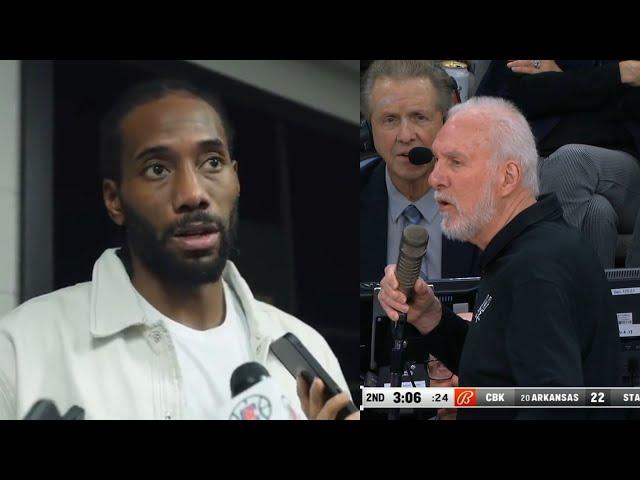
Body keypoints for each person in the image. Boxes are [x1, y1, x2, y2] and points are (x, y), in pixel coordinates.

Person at [0, 79, 357, 420]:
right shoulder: (22, 348)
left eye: (212, 163)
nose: (192, 194)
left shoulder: (304, 350)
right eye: (157, 169)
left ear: (236, 179)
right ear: (114, 200)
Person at [378, 96, 621, 420]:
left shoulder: (535, 268)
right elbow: (499, 369)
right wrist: (431, 317)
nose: (435, 178)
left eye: (455, 162)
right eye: (436, 161)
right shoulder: (528, 252)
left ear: (507, 177)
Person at [476, 60, 640, 268]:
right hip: (542, 159)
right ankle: (593, 298)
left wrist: (563, 82)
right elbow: (521, 96)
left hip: (624, 167)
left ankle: (545, 287)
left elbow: (631, 105)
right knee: (597, 213)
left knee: (571, 161)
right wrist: (616, 76)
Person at [360, 60, 480, 283]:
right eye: (390, 119)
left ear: (446, 122)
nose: (405, 136)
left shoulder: (481, 200)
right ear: (370, 128)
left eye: (419, 117)